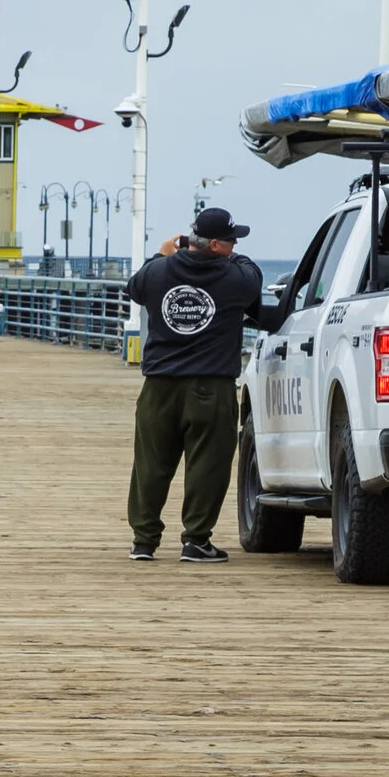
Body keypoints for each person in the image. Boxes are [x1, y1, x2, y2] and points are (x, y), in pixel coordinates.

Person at [125, 206, 272, 564]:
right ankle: (195, 540)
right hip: (212, 385)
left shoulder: (158, 271)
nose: (236, 244)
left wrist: (159, 255)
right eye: (232, 240)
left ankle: (144, 540)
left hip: (159, 386)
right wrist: (233, 257)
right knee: (209, 465)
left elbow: (134, 287)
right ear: (218, 246)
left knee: (150, 464)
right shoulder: (235, 279)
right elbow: (254, 277)